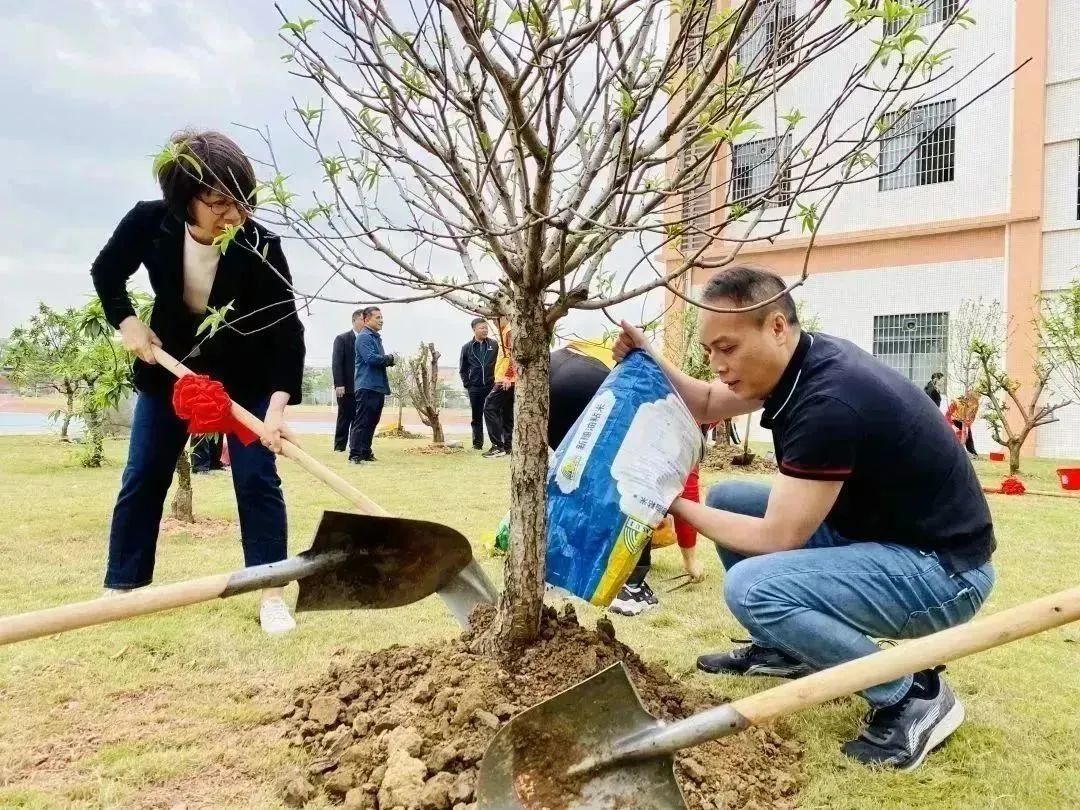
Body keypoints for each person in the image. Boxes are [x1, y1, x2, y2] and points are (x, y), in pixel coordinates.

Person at [613, 265, 995, 770]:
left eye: (726, 348)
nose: (717, 364)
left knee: (752, 587)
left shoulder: (828, 400)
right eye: (709, 351)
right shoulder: (802, 361)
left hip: (942, 574)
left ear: (775, 326)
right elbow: (705, 401)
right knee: (729, 498)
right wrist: (648, 358)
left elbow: (777, 537)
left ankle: (910, 695)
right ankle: (790, 649)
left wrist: (671, 500)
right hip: (885, 540)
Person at [90, 129, 305, 635]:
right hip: (171, 369)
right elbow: (106, 272)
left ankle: (270, 592)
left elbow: (287, 329)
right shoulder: (150, 222)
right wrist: (127, 322)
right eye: (219, 203)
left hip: (245, 379)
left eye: (242, 201)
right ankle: (123, 587)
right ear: (186, 198)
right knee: (144, 474)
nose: (233, 215)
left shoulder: (259, 244)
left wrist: (275, 409)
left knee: (255, 477)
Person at [549, 337, 705, 616]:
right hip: (593, 390)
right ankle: (631, 589)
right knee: (634, 488)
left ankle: (554, 564)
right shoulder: (677, 425)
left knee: (568, 478)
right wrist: (690, 559)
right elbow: (683, 491)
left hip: (552, 373)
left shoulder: (660, 384)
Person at [350, 307, 395, 464]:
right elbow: (371, 359)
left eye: (382, 317)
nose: (381, 320)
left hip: (377, 386)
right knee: (362, 421)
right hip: (366, 385)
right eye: (377, 317)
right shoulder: (364, 337)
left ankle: (365, 452)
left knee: (372, 421)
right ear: (366, 320)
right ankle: (355, 455)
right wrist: (389, 359)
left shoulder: (375, 337)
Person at [459, 318, 498, 451]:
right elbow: (463, 369)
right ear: (474, 329)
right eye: (482, 328)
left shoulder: (494, 345)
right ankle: (477, 444)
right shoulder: (467, 348)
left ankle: (497, 443)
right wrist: (468, 384)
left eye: (486, 327)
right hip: (474, 388)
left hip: (491, 386)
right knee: (476, 416)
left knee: (494, 414)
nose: (485, 330)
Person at [331, 310, 364, 453]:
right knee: (345, 417)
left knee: (359, 419)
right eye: (363, 319)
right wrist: (339, 384)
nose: (365, 322)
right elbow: (337, 363)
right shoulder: (342, 339)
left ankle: (355, 447)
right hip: (346, 387)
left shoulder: (367, 340)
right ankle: (339, 447)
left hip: (362, 387)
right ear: (355, 320)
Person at [482, 317, 515, 458]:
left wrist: (508, 375)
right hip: (506, 379)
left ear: (505, 316)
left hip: (506, 380)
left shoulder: (510, 331)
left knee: (489, 407)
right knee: (507, 413)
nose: (494, 323)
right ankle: (509, 446)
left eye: (496, 319)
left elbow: (515, 354)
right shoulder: (504, 332)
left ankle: (497, 446)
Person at [947, 390, 979, 458]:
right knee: (960, 436)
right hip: (956, 420)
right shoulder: (958, 401)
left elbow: (973, 415)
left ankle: (971, 452)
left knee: (968, 436)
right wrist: (951, 424)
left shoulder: (976, 403)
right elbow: (948, 413)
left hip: (965, 422)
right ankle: (958, 452)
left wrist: (969, 422)